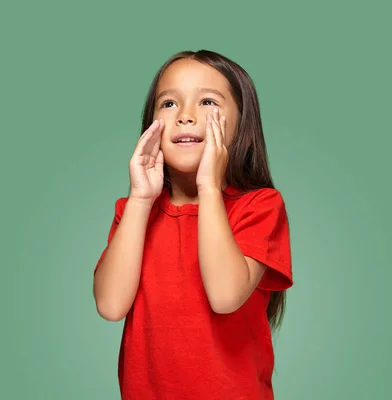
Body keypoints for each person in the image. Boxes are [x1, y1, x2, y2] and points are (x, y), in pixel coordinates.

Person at [93, 49, 293, 399]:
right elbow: (110, 306)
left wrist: (209, 187)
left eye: (207, 102)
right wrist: (141, 199)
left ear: (242, 123)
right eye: (168, 104)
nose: (185, 116)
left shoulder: (259, 206)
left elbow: (225, 296)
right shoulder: (134, 212)